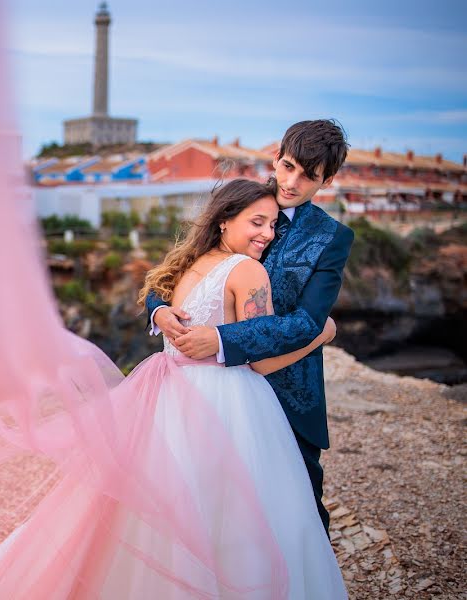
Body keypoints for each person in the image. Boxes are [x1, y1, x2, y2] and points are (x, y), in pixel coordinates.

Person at [0, 178, 347, 599]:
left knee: (164, 513)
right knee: (237, 516)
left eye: (272, 226)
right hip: (228, 407)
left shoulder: (188, 269)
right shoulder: (249, 274)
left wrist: (164, 314)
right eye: (256, 222)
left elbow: (165, 310)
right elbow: (258, 365)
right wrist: (319, 335)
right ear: (226, 219)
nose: (266, 235)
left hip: (176, 402)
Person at [146, 119, 354, 535]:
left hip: (289, 391)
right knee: (206, 510)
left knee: (301, 519)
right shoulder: (242, 203)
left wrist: (221, 339)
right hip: (211, 397)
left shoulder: (332, 237)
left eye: (309, 176)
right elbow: (182, 271)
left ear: (326, 181)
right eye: (288, 166)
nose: (291, 182)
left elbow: (307, 322)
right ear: (276, 158)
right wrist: (158, 309)